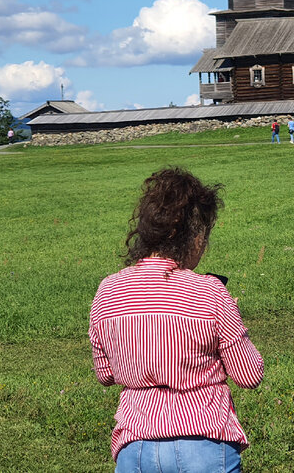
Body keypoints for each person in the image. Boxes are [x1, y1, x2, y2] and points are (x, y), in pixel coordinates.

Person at [89, 167, 263, 472]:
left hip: (136, 446)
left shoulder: (109, 290)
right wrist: (233, 322)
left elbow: (106, 374)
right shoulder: (210, 291)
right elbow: (249, 375)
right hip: (204, 443)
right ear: (193, 237)